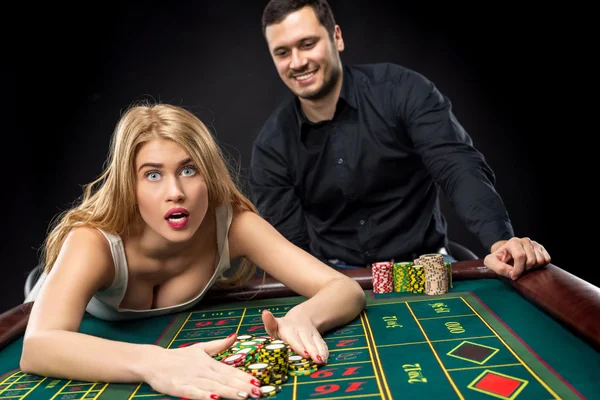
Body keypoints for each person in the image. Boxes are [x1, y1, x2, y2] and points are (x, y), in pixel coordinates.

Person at [21, 102, 366, 400]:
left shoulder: (233, 226)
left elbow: (343, 288)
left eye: (189, 170)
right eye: (153, 175)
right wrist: (156, 362)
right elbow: (37, 346)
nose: (176, 192)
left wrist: (304, 317)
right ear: (130, 183)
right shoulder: (94, 241)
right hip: (47, 294)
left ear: (209, 174)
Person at [248, 0, 551, 280]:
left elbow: (457, 167)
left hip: (428, 265)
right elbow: (290, 249)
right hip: (338, 280)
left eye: (308, 44)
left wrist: (499, 240)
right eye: (283, 52)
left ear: (336, 37)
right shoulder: (271, 147)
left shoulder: (403, 90)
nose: (298, 62)